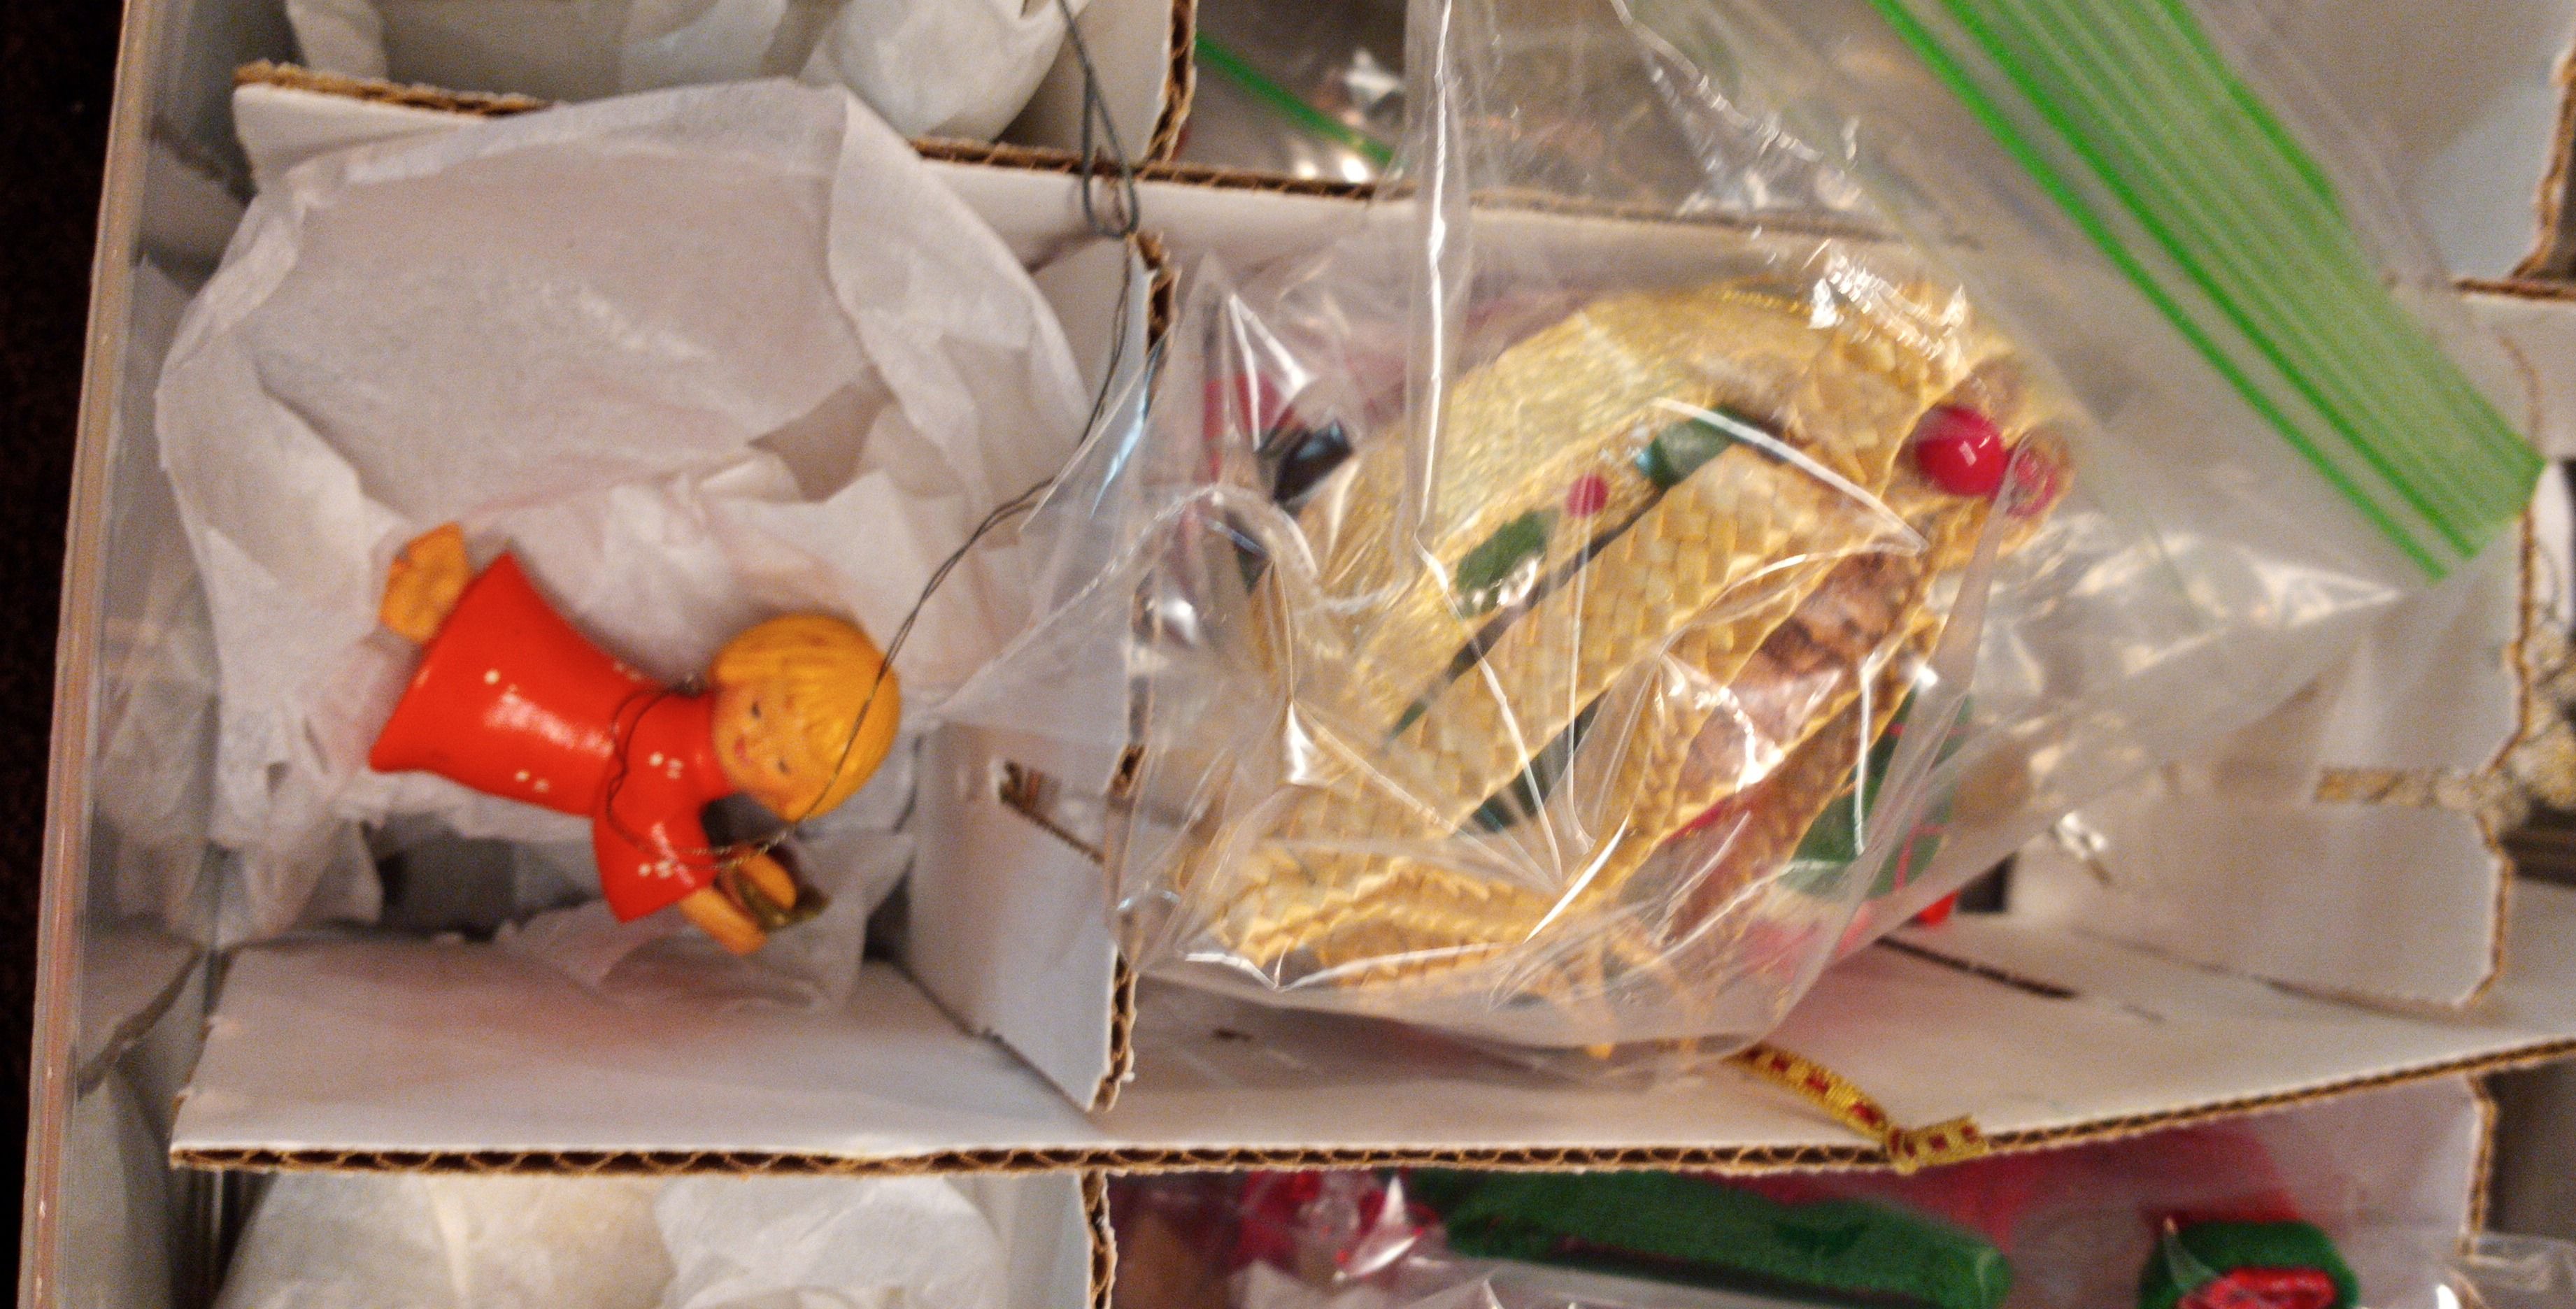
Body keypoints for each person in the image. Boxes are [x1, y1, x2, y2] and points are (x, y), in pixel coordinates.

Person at [368, 523, 901, 952]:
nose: (756, 746)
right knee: (498, 661)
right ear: (747, 667)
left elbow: (658, 810)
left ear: (791, 795)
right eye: (759, 711)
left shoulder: (683, 765)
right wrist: (697, 899)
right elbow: (640, 808)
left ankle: (441, 609)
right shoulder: (670, 742)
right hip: (548, 705)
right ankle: (440, 605)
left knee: (496, 657)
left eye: (782, 765)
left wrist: (715, 882)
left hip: (552, 729)